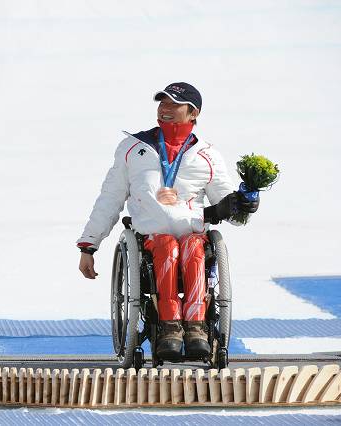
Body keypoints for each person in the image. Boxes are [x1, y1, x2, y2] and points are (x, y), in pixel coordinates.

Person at [76, 82, 258, 359]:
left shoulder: (207, 155)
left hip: (192, 234)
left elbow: (226, 205)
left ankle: (196, 326)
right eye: (163, 103)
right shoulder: (133, 148)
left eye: (174, 104)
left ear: (193, 113)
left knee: (193, 249)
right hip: (151, 238)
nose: (165, 109)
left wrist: (245, 203)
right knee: (166, 247)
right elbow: (109, 198)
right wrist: (89, 245)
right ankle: (169, 325)